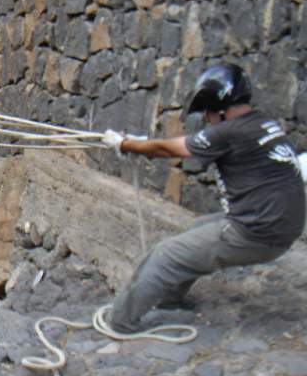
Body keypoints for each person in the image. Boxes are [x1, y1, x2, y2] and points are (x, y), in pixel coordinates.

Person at [102, 63, 305, 333]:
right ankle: (170, 298)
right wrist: (136, 143)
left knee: (165, 255)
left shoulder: (228, 132)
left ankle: (119, 322)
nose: (207, 119)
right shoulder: (265, 123)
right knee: (197, 231)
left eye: (207, 113)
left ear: (218, 109)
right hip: (280, 229)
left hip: (256, 233)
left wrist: (124, 144)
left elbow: (165, 149)